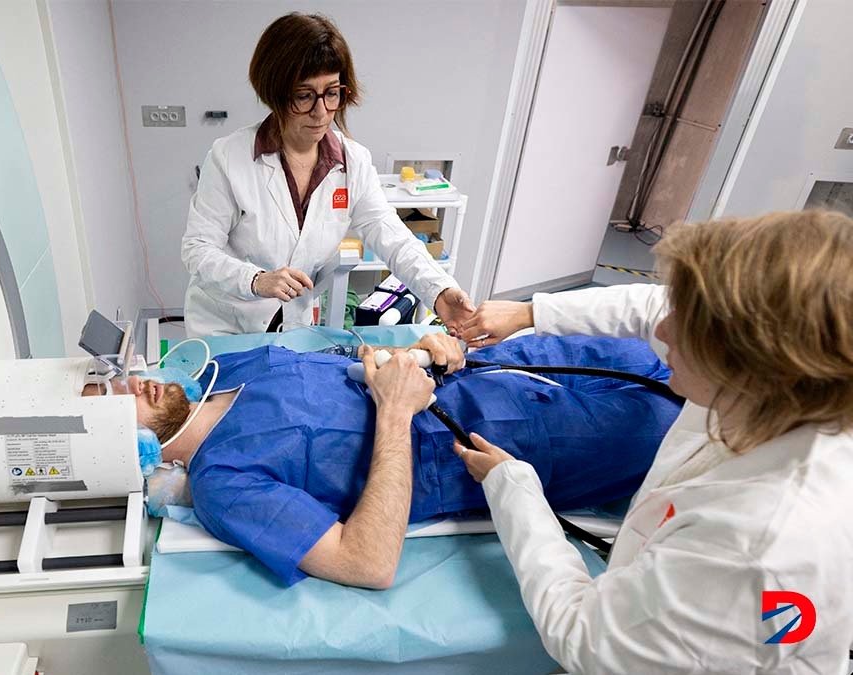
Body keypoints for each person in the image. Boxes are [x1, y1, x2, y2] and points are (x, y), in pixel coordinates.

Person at [455, 210, 853, 673]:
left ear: (755, 360)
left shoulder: (754, 545)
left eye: (686, 321)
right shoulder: (785, 387)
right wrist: (531, 313)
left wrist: (514, 490)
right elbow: (652, 310)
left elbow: (585, 640)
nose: (662, 332)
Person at [88, 332, 682, 589]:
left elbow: (344, 359)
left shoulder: (227, 370)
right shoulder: (224, 485)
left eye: (115, 381)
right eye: (113, 408)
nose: (130, 386)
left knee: (650, 355)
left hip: (504, 364)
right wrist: (395, 414)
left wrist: (409, 354)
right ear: (124, 450)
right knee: (683, 424)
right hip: (518, 437)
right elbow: (367, 562)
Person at [181, 12, 474, 337]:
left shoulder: (354, 163)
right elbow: (198, 249)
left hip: (293, 325)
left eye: (332, 93)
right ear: (274, 93)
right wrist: (256, 280)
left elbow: (392, 237)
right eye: (304, 96)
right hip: (225, 325)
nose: (321, 112)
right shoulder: (228, 158)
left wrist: (439, 290)